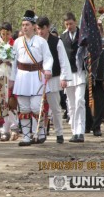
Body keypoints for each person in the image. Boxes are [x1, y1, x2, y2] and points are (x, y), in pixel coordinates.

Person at [10, 10, 53, 146]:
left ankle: (40, 133)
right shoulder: (17, 42)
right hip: (22, 77)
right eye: (23, 25)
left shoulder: (41, 42)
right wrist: (12, 79)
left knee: (36, 107)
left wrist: (47, 70)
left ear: (34, 26)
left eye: (27, 24)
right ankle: (26, 136)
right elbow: (13, 62)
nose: (25, 27)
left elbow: (48, 57)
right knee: (23, 108)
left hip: (36, 76)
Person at [36, 16, 72, 144]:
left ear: (48, 27)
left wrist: (64, 77)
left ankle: (59, 133)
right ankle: (39, 133)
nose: (40, 32)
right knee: (37, 107)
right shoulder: (34, 42)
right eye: (38, 29)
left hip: (54, 77)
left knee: (55, 107)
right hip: (38, 77)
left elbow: (63, 60)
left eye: (43, 28)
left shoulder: (57, 41)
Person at [60, 12, 86, 143]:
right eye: (67, 24)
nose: (69, 26)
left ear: (75, 22)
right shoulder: (62, 37)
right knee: (71, 104)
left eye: (71, 23)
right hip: (68, 74)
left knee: (80, 101)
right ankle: (74, 131)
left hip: (80, 72)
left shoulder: (83, 35)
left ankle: (80, 132)